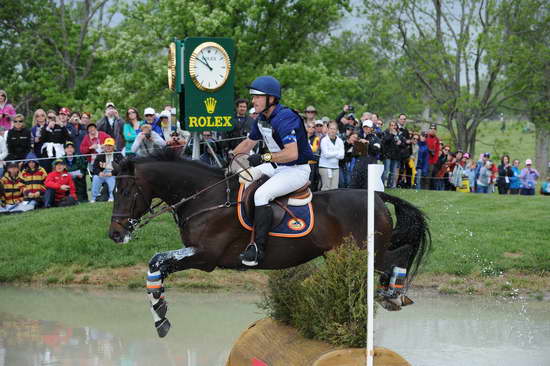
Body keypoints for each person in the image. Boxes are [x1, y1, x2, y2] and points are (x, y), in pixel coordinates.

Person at [231, 75, 313, 266]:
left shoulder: (286, 118)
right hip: (277, 166)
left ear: (271, 99)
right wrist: (232, 156)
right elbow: (248, 143)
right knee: (243, 178)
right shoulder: (262, 118)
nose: (253, 101)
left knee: (261, 195)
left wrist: (263, 157)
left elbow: (292, 154)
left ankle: (258, 248)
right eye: (253, 97)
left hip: (296, 170)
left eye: (257, 97)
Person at [349, 120, 381, 189]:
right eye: (364, 127)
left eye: (368, 127)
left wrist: (368, 143)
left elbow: (377, 151)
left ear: (371, 128)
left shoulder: (376, 139)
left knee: (367, 189)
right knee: (354, 187)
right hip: (359, 167)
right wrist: (357, 145)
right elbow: (354, 154)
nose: (366, 129)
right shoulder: (359, 138)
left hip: (370, 167)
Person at [91, 138, 122, 202]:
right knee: (96, 178)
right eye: (106, 145)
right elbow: (94, 167)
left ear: (114, 147)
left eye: (110, 146)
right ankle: (94, 198)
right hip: (103, 173)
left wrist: (112, 173)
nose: (108, 147)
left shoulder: (118, 155)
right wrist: (99, 173)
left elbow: (121, 168)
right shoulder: (100, 155)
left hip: (112, 174)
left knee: (112, 180)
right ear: (104, 147)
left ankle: (112, 197)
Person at [318, 122, 344, 191]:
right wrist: (337, 152)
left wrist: (332, 153)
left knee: (335, 189)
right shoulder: (324, 140)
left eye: (334, 129)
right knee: (326, 188)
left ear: (337, 130)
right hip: (325, 167)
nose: (333, 130)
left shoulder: (340, 141)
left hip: (335, 167)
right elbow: (326, 155)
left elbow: (342, 156)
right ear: (328, 129)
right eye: (331, 128)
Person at [381, 120, 404, 188]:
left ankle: (389, 185)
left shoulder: (398, 134)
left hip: (395, 156)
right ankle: (381, 185)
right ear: (389, 126)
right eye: (392, 125)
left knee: (393, 172)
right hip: (387, 155)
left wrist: (400, 143)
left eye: (394, 125)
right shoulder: (385, 132)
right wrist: (392, 135)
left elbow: (403, 144)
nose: (393, 127)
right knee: (386, 171)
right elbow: (385, 141)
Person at [425, 124, 441, 190]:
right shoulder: (425, 137)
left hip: (431, 160)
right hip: (424, 159)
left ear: (436, 130)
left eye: (434, 129)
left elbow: (437, 151)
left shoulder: (437, 139)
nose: (432, 130)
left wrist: (434, 161)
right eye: (431, 128)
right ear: (429, 129)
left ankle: (426, 189)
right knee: (422, 174)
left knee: (429, 175)